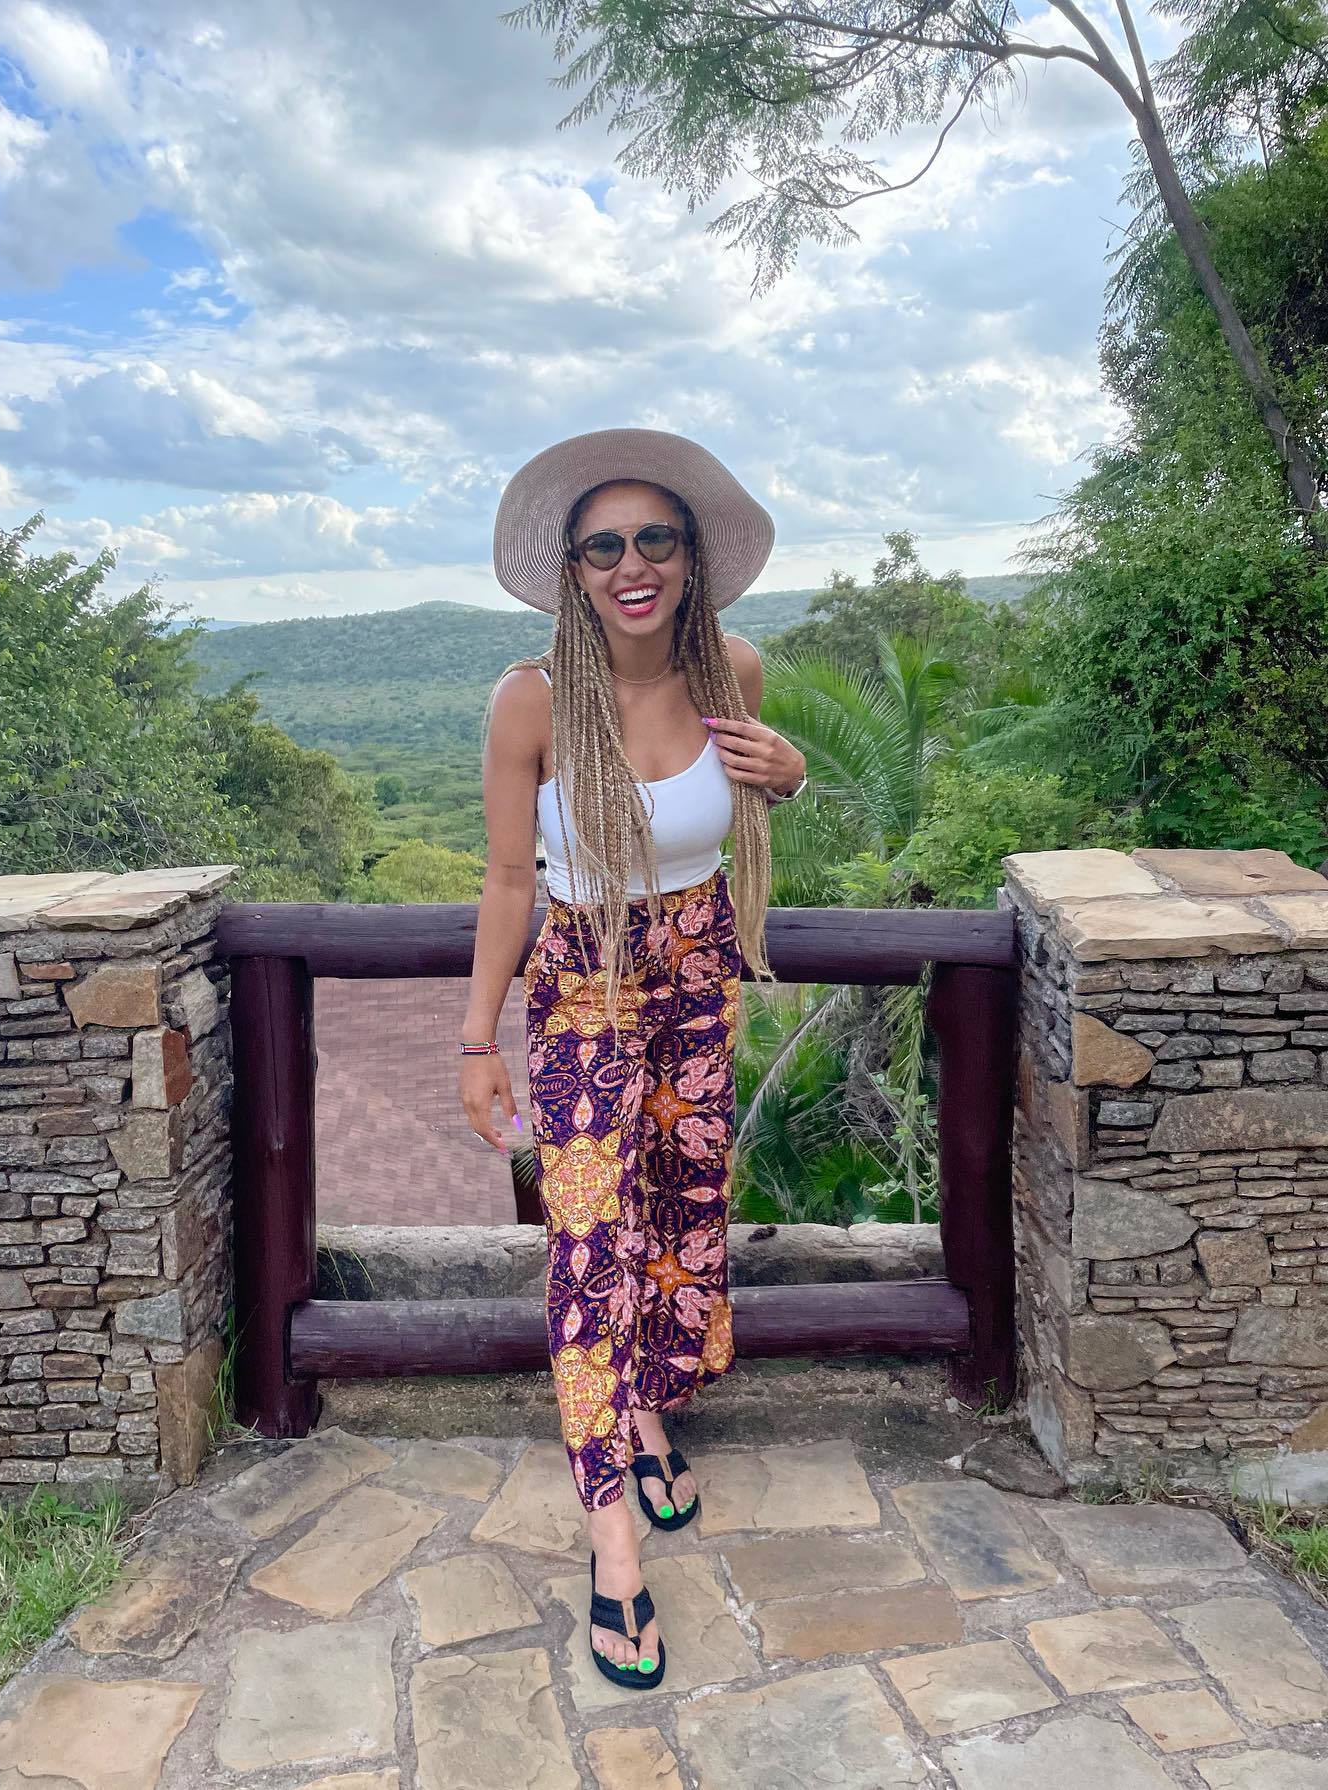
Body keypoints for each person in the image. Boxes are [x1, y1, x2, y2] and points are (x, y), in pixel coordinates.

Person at [458, 427, 808, 1689]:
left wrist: (791, 774)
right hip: (587, 983)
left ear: (691, 553)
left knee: (678, 1211)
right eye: (603, 547)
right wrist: (478, 1037)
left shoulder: (733, 670)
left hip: (700, 975)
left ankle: (648, 1405)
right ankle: (613, 1539)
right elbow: (509, 878)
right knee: (589, 1245)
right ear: (574, 571)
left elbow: (743, 804)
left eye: (654, 537)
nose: (631, 564)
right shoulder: (534, 699)